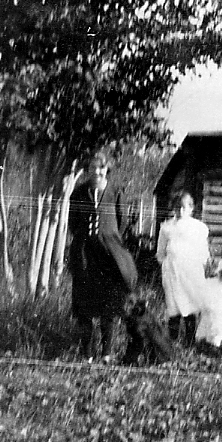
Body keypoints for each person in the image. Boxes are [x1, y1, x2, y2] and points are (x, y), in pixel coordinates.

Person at [67, 152, 137, 361]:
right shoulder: (79, 193)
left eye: (101, 168)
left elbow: (122, 222)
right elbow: (73, 223)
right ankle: (86, 354)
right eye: (92, 168)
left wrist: (108, 239)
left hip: (109, 255)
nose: (96, 172)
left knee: (110, 305)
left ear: (107, 170)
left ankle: (107, 353)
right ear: (87, 171)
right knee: (85, 306)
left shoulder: (116, 192)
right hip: (85, 254)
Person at [155, 190, 211, 345]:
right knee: (173, 307)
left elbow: (203, 253)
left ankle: (190, 342)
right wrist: (166, 267)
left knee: (190, 306)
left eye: (184, 207)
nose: (180, 211)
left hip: (191, 274)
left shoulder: (198, 228)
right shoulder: (167, 228)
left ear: (191, 208)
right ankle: (171, 342)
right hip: (172, 274)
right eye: (177, 207)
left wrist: (197, 267)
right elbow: (160, 252)